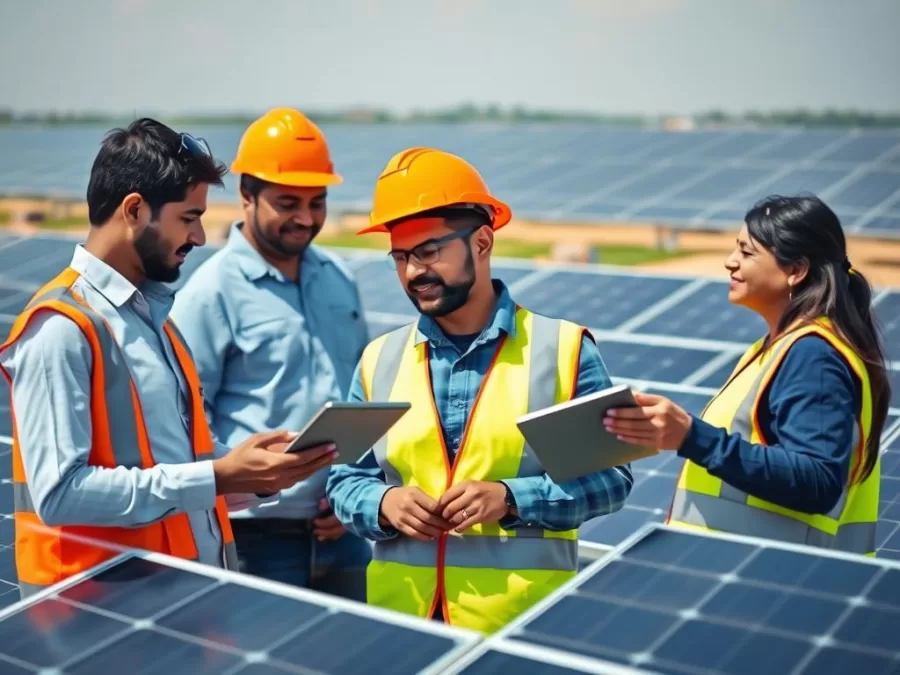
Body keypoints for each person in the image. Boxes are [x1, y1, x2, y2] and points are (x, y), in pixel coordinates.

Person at [0, 118, 337, 599]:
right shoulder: (61, 329)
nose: (199, 237)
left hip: (179, 601)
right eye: (188, 217)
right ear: (135, 210)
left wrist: (257, 472)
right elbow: (59, 495)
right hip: (94, 616)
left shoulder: (159, 324)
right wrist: (219, 474)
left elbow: (184, 466)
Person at [325, 147, 633, 633]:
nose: (412, 273)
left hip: (523, 631)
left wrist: (511, 498)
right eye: (401, 257)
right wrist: (383, 504)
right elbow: (344, 480)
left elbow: (611, 482)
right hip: (402, 627)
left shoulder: (564, 350)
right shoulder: (378, 360)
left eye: (429, 252)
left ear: (483, 243)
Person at [604, 194, 890, 557]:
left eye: (747, 252)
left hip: (781, 580)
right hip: (756, 570)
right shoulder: (776, 347)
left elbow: (818, 481)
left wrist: (693, 437)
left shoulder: (813, 355)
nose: (730, 262)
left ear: (796, 270)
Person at [170, 108, 371, 599]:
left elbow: (362, 395)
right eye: (287, 203)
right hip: (257, 538)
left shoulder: (339, 280)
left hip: (345, 525)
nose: (305, 218)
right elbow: (186, 419)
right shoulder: (210, 293)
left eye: (317, 202)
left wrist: (356, 488)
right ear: (246, 196)